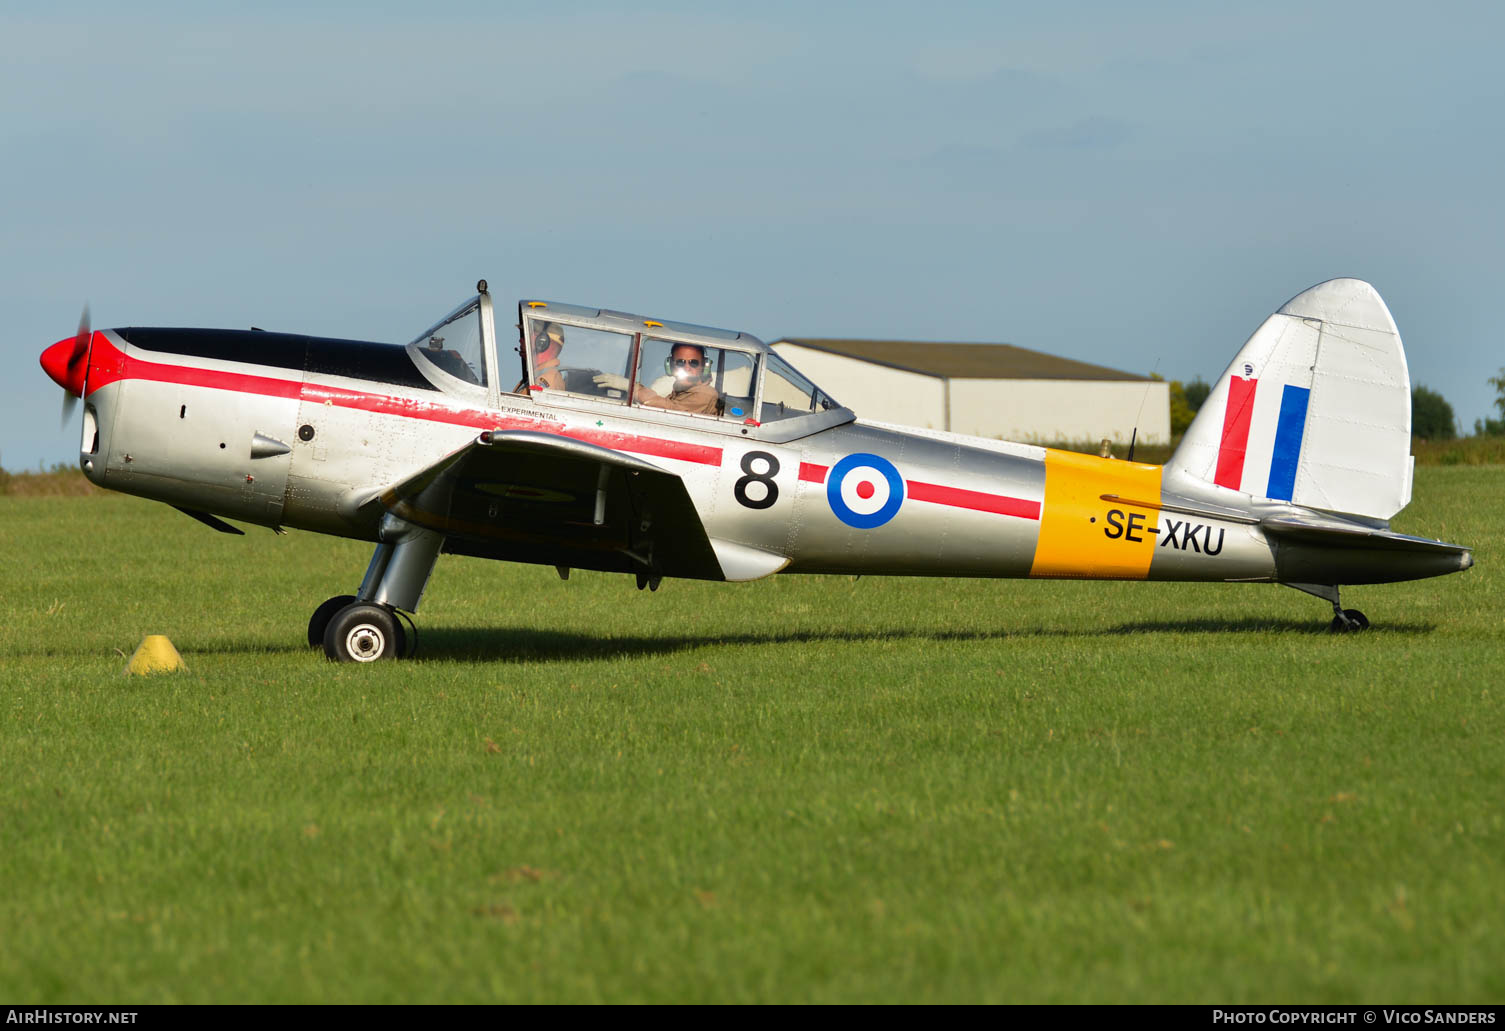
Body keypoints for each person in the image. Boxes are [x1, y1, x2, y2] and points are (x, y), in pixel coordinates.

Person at [596, 343, 720, 415]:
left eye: (693, 363)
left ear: (704, 367)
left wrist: (631, 387)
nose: (687, 368)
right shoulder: (678, 392)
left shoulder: (706, 394)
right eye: (681, 363)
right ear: (671, 366)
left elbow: (672, 411)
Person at [530, 323, 566, 391]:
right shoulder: (540, 373)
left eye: (531, 334)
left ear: (542, 341)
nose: (522, 340)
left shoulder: (546, 379)